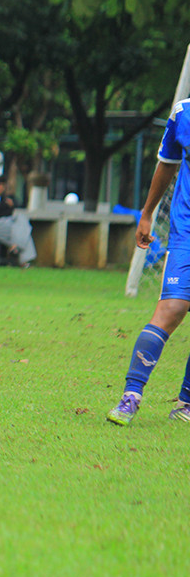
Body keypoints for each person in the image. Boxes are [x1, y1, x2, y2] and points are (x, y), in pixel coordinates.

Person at [107, 96, 190, 426]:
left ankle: (186, 404)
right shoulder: (184, 112)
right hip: (187, 231)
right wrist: (146, 213)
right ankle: (131, 396)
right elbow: (167, 161)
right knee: (171, 308)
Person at [0, 176, 36, 268]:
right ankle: (23, 260)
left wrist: (6, 207)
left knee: (22, 220)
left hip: (9, 223)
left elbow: (11, 210)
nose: (0, 187)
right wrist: (4, 207)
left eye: (2, 185)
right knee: (25, 233)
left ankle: (15, 246)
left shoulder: (7, 199)